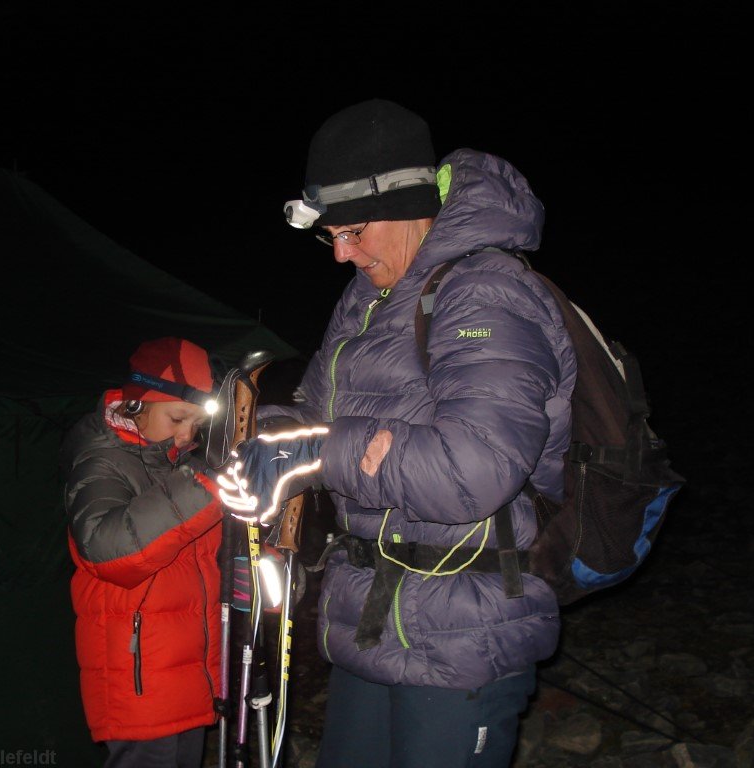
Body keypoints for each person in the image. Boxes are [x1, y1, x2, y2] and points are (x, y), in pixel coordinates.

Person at [219, 99, 576, 767]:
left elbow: (474, 468)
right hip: (370, 622)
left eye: (353, 231)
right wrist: (269, 442)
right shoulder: (369, 298)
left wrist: (321, 452)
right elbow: (315, 410)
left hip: (465, 637)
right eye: (332, 237)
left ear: (412, 204)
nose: (342, 255)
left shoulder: (488, 291)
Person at [61, 337, 225, 768]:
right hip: (137, 678)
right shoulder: (102, 459)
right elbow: (106, 551)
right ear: (138, 403)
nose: (187, 434)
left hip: (186, 673)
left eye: (196, 423)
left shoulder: (177, 464)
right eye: (177, 417)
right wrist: (204, 489)